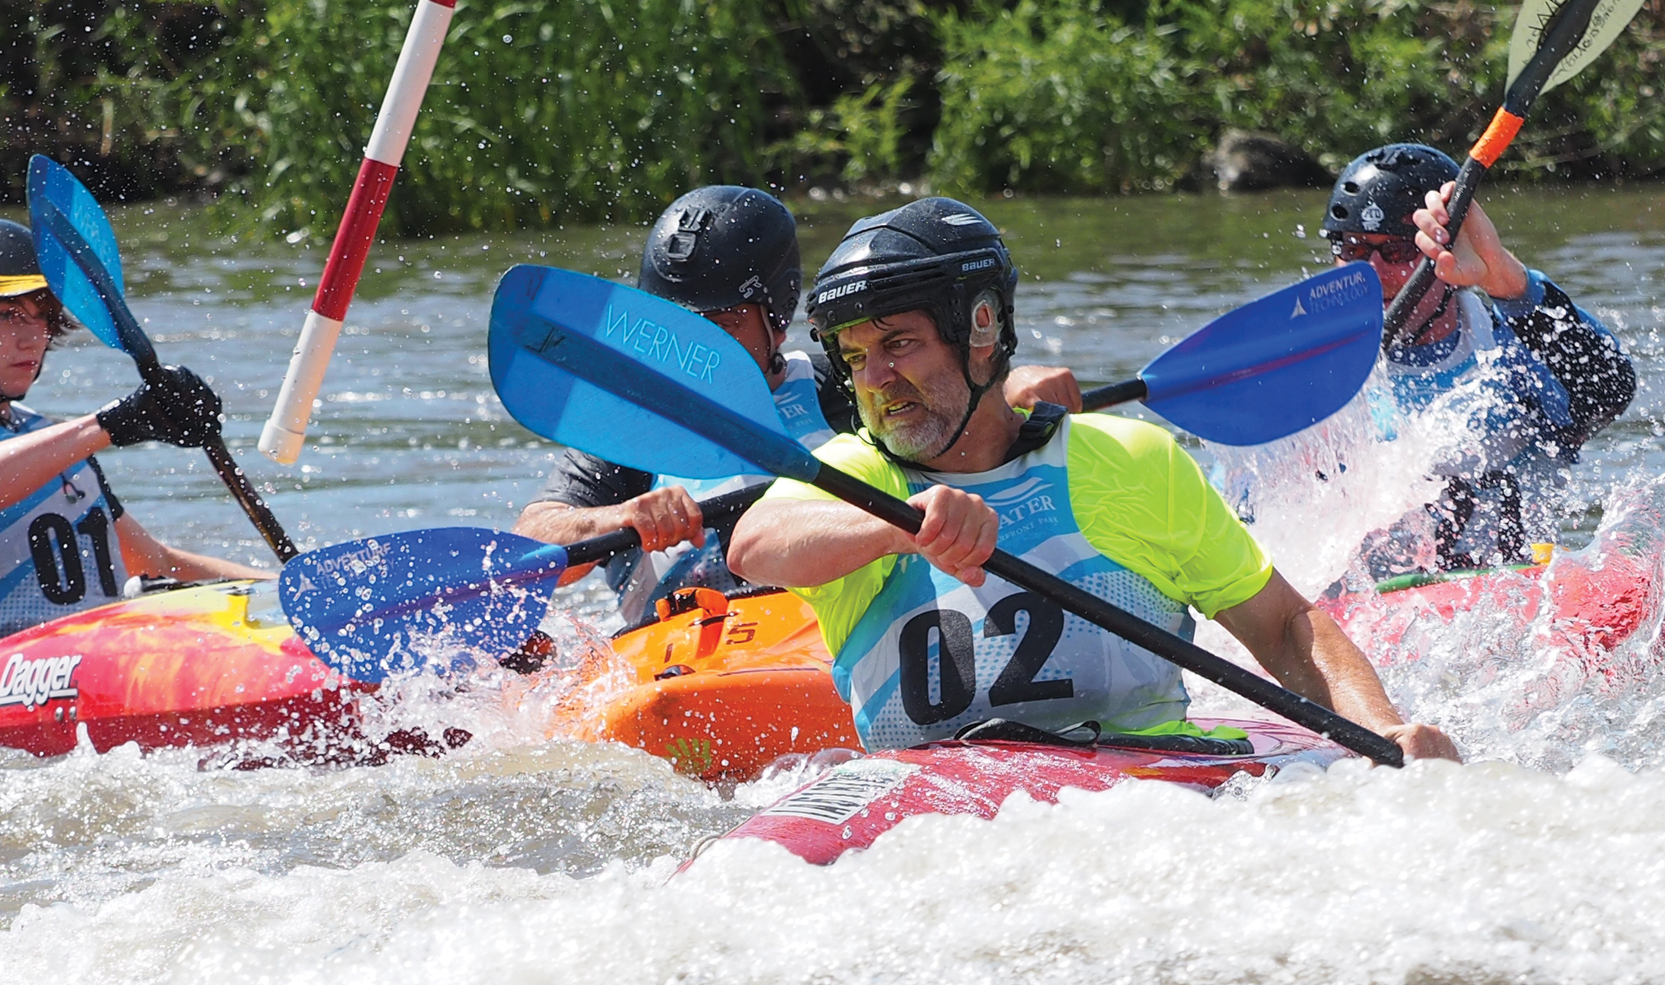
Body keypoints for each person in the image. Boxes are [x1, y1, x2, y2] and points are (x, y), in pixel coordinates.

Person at [725, 197, 1457, 761]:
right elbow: (756, 543)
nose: (876, 380)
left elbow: (1287, 628)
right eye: (855, 358)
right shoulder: (859, 475)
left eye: (899, 344)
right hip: (935, 807)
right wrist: (897, 526)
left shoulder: (1133, 461)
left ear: (981, 328)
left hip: (1143, 787)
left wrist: (1386, 733)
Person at [513, 185, 1080, 630]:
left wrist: (1011, 383)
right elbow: (533, 541)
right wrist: (615, 518)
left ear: (778, 318)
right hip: (685, 653)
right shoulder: (627, 424)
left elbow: (944, 403)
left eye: (722, 326)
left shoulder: (847, 387)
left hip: (824, 635)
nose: (695, 353)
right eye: (677, 326)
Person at [0, 217, 265, 675]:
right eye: (9, 315)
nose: (33, 338)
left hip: (97, 657)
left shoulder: (47, 439)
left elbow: (154, 561)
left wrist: (291, 588)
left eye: (43, 318)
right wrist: (112, 424)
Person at [1321, 143, 1636, 568]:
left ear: (1447, 252)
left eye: (1396, 252)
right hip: (1362, 615)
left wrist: (1508, 279)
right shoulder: (1307, 382)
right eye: (1354, 248)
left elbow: (1609, 389)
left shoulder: (1514, 353)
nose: (1372, 273)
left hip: (1512, 604)